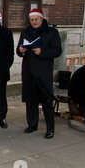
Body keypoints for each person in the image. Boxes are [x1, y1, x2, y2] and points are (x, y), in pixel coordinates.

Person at [16, 8, 62, 139]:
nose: (34, 22)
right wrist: (21, 50)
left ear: (42, 19)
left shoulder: (52, 32)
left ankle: (50, 129)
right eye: (32, 20)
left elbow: (57, 51)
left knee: (46, 101)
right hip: (28, 72)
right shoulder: (25, 32)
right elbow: (19, 52)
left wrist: (42, 52)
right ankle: (32, 124)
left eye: (36, 20)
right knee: (30, 100)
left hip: (43, 72)